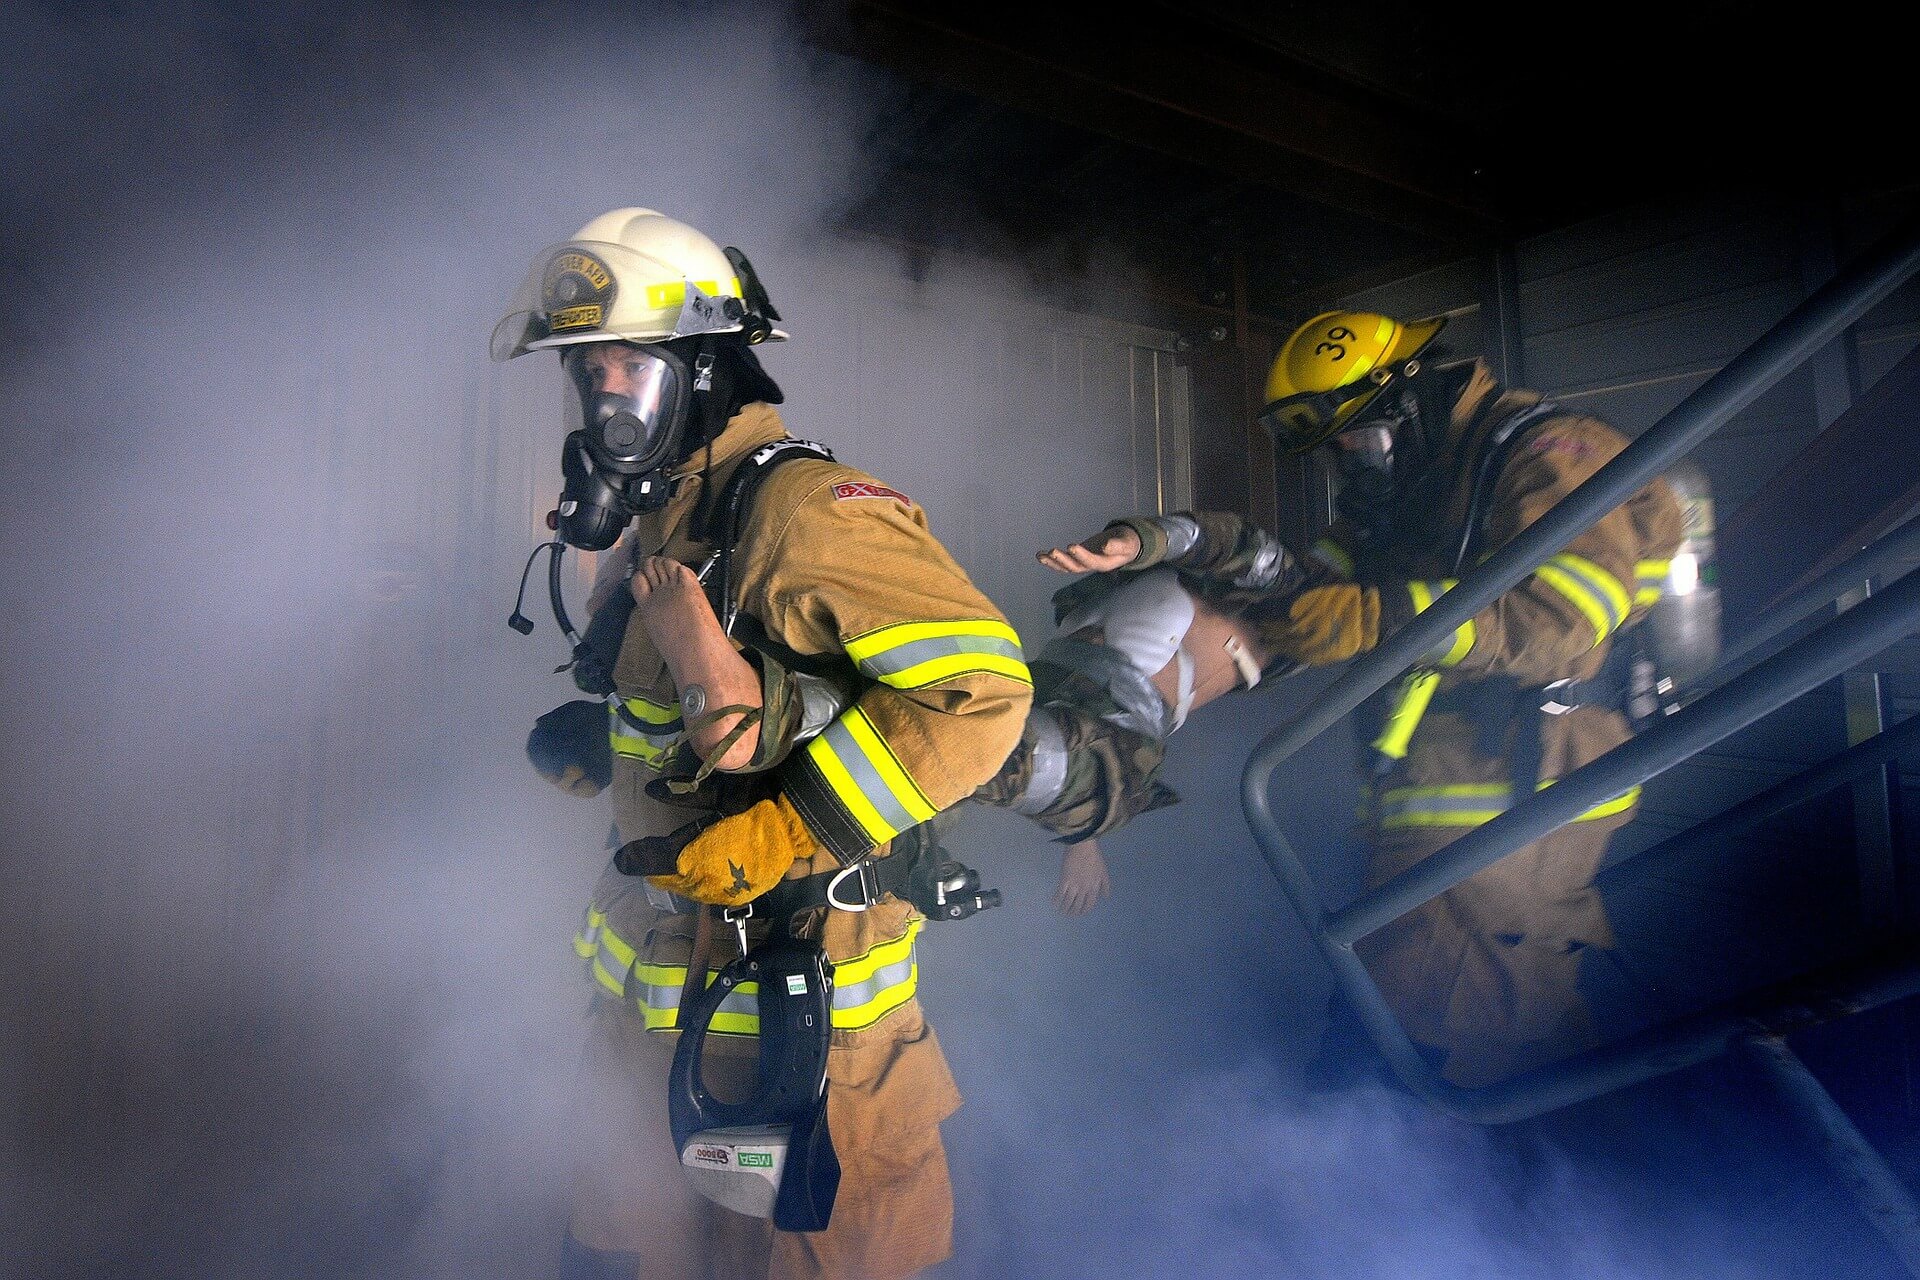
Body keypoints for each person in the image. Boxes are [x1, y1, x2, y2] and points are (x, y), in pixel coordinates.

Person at [498, 208, 1032, 1280]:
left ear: (702, 372)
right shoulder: (670, 524)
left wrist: (802, 820)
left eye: (626, 371)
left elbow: (980, 695)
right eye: (588, 376)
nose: (603, 401)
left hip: (809, 1015)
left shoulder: (806, 510)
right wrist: (613, 752)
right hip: (664, 1002)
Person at [1217, 308, 1684, 1088]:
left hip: (1519, 773)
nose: (1347, 464)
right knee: (1447, 993)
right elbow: (1322, 588)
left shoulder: (1553, 453)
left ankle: (1448, 1179)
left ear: (1408, 396)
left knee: (1460, 1016)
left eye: (1352, 438)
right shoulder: (1420, 481)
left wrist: (1375, 618)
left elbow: (1562, 616)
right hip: (1444, 777)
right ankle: (1497, 1164)